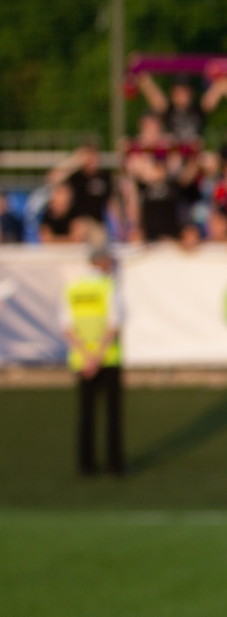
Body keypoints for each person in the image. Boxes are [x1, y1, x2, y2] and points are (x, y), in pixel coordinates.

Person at [63, 248, 125, 476]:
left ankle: (85, 465)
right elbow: (113, 325)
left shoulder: (72, 288)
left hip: (82, 360)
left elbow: (66, 327)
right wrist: (97, 357)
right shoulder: (109, 287)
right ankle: (114, 465)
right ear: (104, 263)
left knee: (86, 413)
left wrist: (87, 357)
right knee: (112, 414)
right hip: (107, 359)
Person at [134, 73, 223, 144]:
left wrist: (224, 68)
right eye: (178, 92)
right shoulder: (168, 110)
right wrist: (138, 70)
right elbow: (148, 86)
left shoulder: (199, 108)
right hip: (172, 154)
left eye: (184, 92)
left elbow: (221, 86)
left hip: (193, 154)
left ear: (190, 93)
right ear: (172, 94)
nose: (181, 96)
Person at [47, 144, 115, 228]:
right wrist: (74, 161)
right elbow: (53, 177)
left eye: (93, 157)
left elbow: (111, 203)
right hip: (76, 224)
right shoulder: (77, 177)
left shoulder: (104, 177)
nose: (90, 161)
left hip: (96, 225)